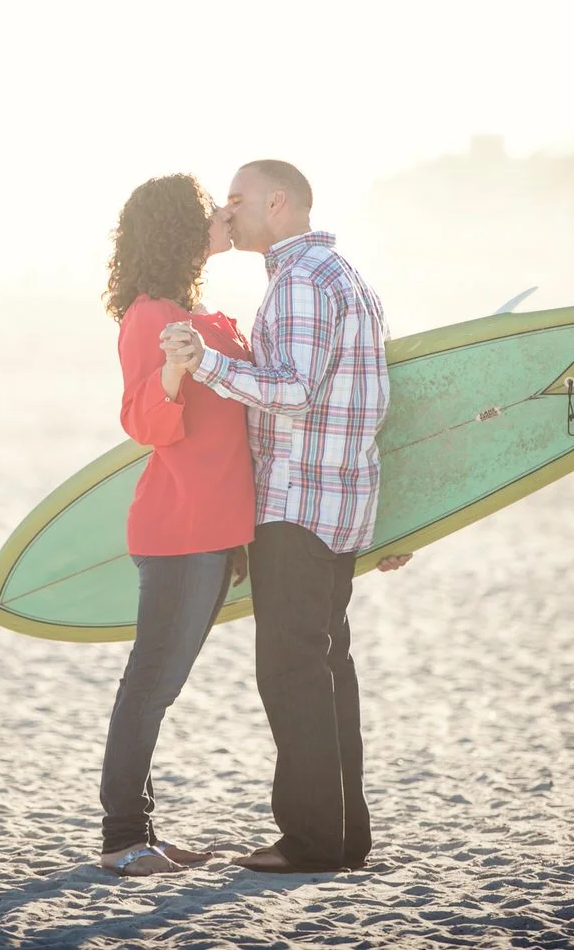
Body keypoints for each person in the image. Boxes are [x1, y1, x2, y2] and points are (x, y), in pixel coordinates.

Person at [160, 159, 408, 874]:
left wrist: (205, 364)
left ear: (278, 202)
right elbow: (373, 405)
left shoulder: (300, 281)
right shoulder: (345, 276)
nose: (228, 212)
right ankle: (342, 836)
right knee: (329, 669)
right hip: (340, 504)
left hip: (297, 503)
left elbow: (294, 393)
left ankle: (308, 840)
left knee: (292, 672)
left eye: (237, 199)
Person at [96, 173, 257, 877]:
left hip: (222, 527)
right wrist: (170, 371)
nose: (221, 216)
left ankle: (144, 834)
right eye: (207, 212)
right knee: (151, 682)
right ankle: (124, 837)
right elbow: (143, 420)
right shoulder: (149, 314)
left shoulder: (204, 312)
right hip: (181, 528)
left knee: (160, 682)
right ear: (177, 230)